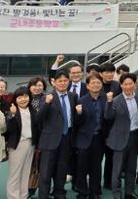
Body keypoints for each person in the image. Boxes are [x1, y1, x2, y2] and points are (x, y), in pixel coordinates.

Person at [37, 69, 77, 199]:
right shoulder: (46, 97)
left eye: (65, 80)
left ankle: (59, 193)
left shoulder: (73, 96)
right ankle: (43, 196)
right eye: (60, 81)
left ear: (69, 81)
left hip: (66, 138)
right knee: (46, 172)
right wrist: (47, 103)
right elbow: (39, 118)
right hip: (50, 140)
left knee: (61, 169)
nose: (63, 83)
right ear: (54, 82)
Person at [105, 73, 138, 199]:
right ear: (121, 85)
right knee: (117, 169)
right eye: (125, 84)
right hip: (119, 138)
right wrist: (109, 101)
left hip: (135, 136)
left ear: (134, 84)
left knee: (132, 168)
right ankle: (117, 194)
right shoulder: (116, 100)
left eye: (130, 84)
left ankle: (129, 192)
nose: (128, 86)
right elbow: (108, 116)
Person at [72, 73, 105, 199]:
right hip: (83, 139)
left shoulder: (105, 98)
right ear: (88, 86)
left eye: (98, 83)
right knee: (82, 167)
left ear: (101, 84)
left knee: (96, 167)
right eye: (93, 83)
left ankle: (94, 192)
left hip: (99, 138)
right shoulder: (81, 100)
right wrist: (79, 113)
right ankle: (82, 192)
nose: (96, 85)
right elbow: (76, 123)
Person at [5, 86, 38, 199]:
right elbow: (9, 129)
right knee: (15, 173)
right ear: (15, 99)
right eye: (19, 97)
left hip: (31, 144)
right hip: (17, 145)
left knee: (26, 172)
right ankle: (13, 196)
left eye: (25, 96)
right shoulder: (12, 111)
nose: (23, 99)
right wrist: (13, 114)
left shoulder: (32, 110)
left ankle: (23, 196)